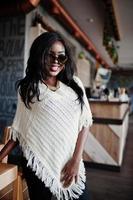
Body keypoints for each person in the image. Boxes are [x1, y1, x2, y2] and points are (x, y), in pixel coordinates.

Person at [0, 31, 92, 200]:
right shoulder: (28, 89)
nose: (55, 62)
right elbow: (20, 130)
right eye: (49, 55)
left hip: (70, 160)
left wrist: (76, 160)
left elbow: (85, 123)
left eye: (61, 57)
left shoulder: (75, 86)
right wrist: (1, 155)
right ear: (39, 56)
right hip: (38, 163)